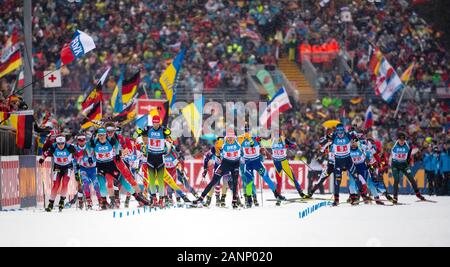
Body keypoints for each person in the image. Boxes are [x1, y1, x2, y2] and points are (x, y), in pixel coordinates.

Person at [194, 129, 242, 209]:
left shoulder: (239, 141)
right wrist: (206, 168)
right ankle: (201, 198)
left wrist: (256, 141)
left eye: (231, 138)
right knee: (214, 181)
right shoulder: (221, 143)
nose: (230, 139)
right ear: (225, 137)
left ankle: (234, 201)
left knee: (234, 182)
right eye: (228, 138)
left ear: (234, 137)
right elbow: (208, 156)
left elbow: (250, 138)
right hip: (225, 164)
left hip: (235, 165)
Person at [39, 134, 78, 212]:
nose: (60, 145)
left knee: (65, 183)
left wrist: (78, 165)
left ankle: (62, 200)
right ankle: (50, 204)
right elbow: (46, 153)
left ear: (65, 142)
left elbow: (78, 155)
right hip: (58, 167)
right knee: (56, 185)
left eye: (62, 143)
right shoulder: (53, 147)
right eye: (58, 144)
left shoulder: (69, 147)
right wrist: (42, 159)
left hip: (68, 167)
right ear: (56, 143)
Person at [142, 115, 172, 207]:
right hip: (150, 157)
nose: (156, 124)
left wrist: (166, 130)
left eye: (157, 123)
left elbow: (169, 133)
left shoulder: (163, 130)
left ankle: (161, 199)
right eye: (154, 122)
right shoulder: (149, 129)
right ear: (152, 122)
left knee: (160, 180)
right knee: (151, 180)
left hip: (160, 157)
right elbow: (137, 134)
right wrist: (141, 131)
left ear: (159, 122)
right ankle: (154, 198)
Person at [270, 132, 306, 205]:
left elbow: (294, 145)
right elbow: (262, 142)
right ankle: (278, 197)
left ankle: (301, 192)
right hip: (276, 163)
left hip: (284, 162)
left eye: (278, 136)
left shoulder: (284, 139)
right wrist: (258, 140)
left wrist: (289, 145)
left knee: (292, 178)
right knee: (279, 181)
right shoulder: (271, 140)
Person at [390, 132, 426, 204]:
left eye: (403, 140)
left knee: (411, 179)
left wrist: (409, 160)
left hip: (404, 164)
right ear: (398, 140)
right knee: (396, 180)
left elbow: (410, 152)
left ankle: (418, 194)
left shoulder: (406, 145)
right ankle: (395, 197)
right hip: (395, 165)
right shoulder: (395, 146)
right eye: (400, 140)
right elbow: (391, 156)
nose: (402, 142)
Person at [74, 133, 102, 210]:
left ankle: (100, 200)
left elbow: (98, 155)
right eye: (80, 140)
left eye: (83, 140)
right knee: (85, 183)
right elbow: (74, 161)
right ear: (77, 140)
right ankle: (88, 200)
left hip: (92, 169)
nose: (81, 141)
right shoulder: (76, 149)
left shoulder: (90, 146)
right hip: (83, 169)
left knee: (96, 184)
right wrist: (76, 171)